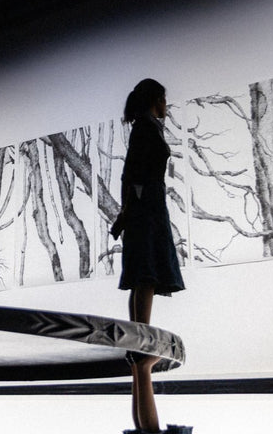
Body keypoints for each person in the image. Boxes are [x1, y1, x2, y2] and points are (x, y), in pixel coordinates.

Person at [110, 78, 185, 434]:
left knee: (146, 274)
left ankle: (140, 343)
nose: (166, 105)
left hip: (148, 209)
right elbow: (132, 175)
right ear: (156, 100)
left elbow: (132, 175)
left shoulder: (146, 128)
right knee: (146, 273)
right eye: (164, 99)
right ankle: (141, 342)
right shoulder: (144, 129)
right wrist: (132, 212)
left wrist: (130, 212)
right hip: (148, 211)